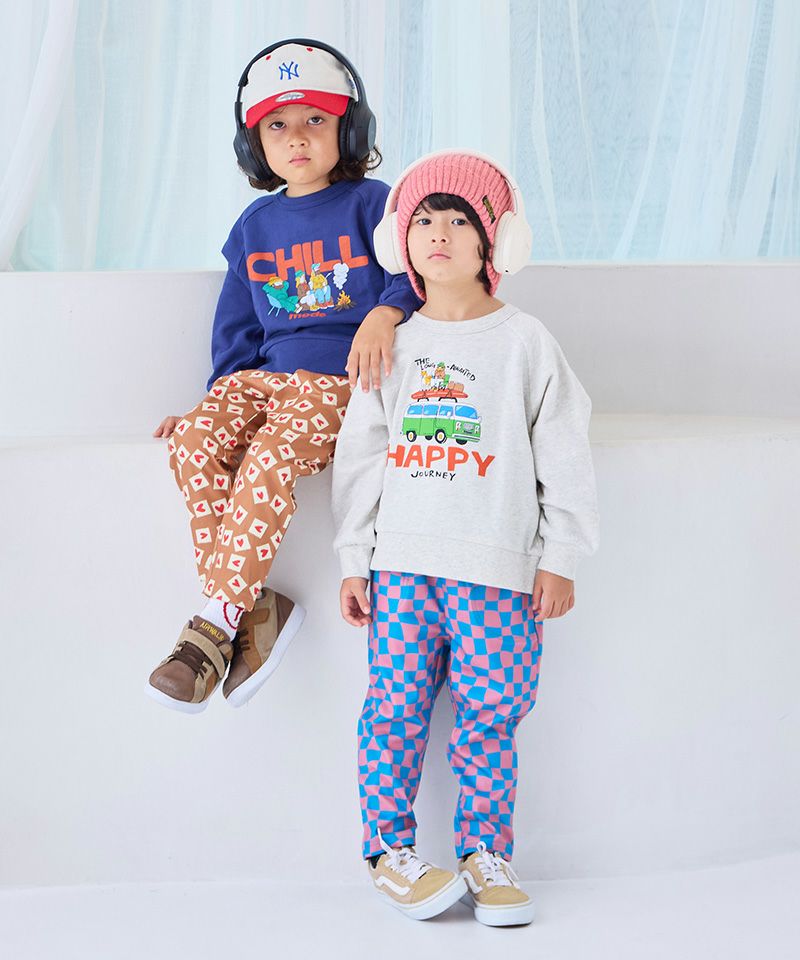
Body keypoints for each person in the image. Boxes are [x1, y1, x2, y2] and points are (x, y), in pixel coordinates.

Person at [331, 150, 599, 924]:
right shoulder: (389, 344)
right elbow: (362, 455)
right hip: (401, 569)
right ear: (400, 240)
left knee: (491, 716)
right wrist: (354, 558)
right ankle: (389, 853)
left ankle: (486, 852)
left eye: (459, 219)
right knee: (394, 712)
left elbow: (564, 452)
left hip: (498, 572)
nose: (439, 234)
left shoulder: (526, 342)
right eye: (422, 219)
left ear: (496, 241)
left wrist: (561, 556)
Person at [146, 38, 419, 714]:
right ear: (254, 144)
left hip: (340, 383)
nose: (296, 137)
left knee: (269, 456)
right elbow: (236, 332)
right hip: (265, 381)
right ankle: (253, 605)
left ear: (348, 129)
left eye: (315, 120)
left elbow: (414, 273)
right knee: (193, 442)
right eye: (276, 125)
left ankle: (215, 623)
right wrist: (214, 407)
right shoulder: (254, 227)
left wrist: (385, 313)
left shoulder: (373, 204)